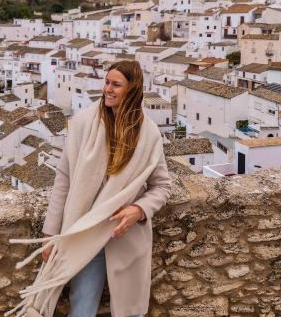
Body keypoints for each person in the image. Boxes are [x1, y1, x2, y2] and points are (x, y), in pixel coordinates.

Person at [10, 61, 171, 317]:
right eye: (106, 82)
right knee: (82, 310)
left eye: (116, 84)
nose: (107, 89)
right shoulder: (83, 121)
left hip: (125, 236)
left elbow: (161, 186)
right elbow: (63, 179)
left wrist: (139, 210)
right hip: (85, 233)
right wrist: (51, 235)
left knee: (131, 313)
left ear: (133, 90)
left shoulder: (149, 134)